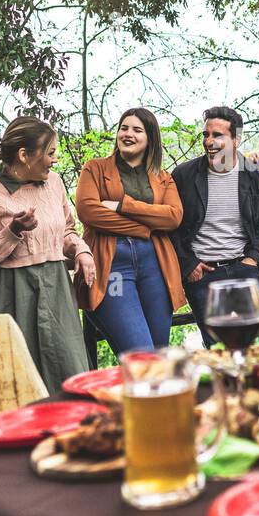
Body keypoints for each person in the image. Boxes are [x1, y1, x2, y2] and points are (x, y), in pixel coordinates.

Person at [0, 116, 96, 391]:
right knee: (16, 382)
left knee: (68, 374)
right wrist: (12, 231)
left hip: (56, 293)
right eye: (50, 153)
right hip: (10, 297)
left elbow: (65, 231)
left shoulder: (54, 184)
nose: (55, 160)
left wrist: (81, 251)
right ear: (24, 155)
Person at [76, 108, 186, 356]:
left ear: (150, 139)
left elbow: (173, 216)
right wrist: (145, 228)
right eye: (124, 128)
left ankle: (154, 397)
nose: (128, 134)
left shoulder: (163, 178)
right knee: (142, 356)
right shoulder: (95, 169)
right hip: (113, 268)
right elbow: (88, 211)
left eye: (137, 130)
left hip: (155, 268)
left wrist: (123, 206)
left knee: (159, 355)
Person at [171, 106, 259, 346]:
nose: (209, 141)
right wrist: (189, 265)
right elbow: (171, 226)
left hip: (244, 270)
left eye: (217, 135)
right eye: (206, 135)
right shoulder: (184, 175)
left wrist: (252, 258)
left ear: (236, 139)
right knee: (222, 352)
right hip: (203, 275)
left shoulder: (255, 173)